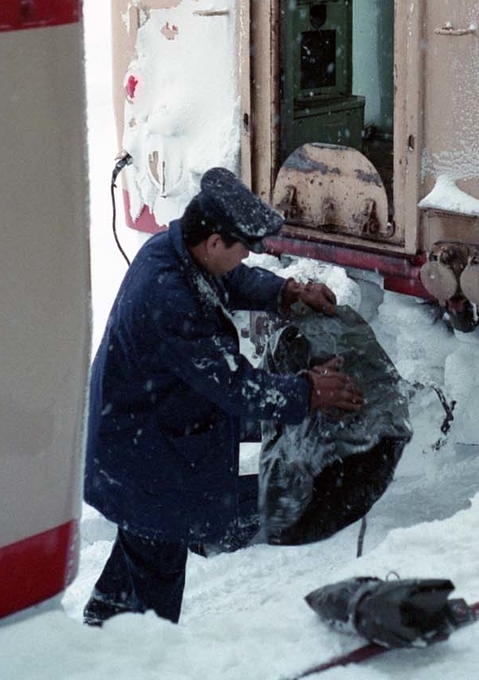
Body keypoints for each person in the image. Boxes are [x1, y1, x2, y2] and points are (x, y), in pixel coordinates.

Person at [82, 167, 363, 627]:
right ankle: (143, 661)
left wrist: (287, 292)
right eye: (241, 248)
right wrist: (308, 391)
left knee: (140, 552)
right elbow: (236, 387)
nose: (244, 257)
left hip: (141, 441)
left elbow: (231, 281)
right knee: (156, 578)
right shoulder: (169, 298)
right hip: (144, 459)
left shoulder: (175, 252)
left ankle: (103, 627)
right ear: (213, 242)